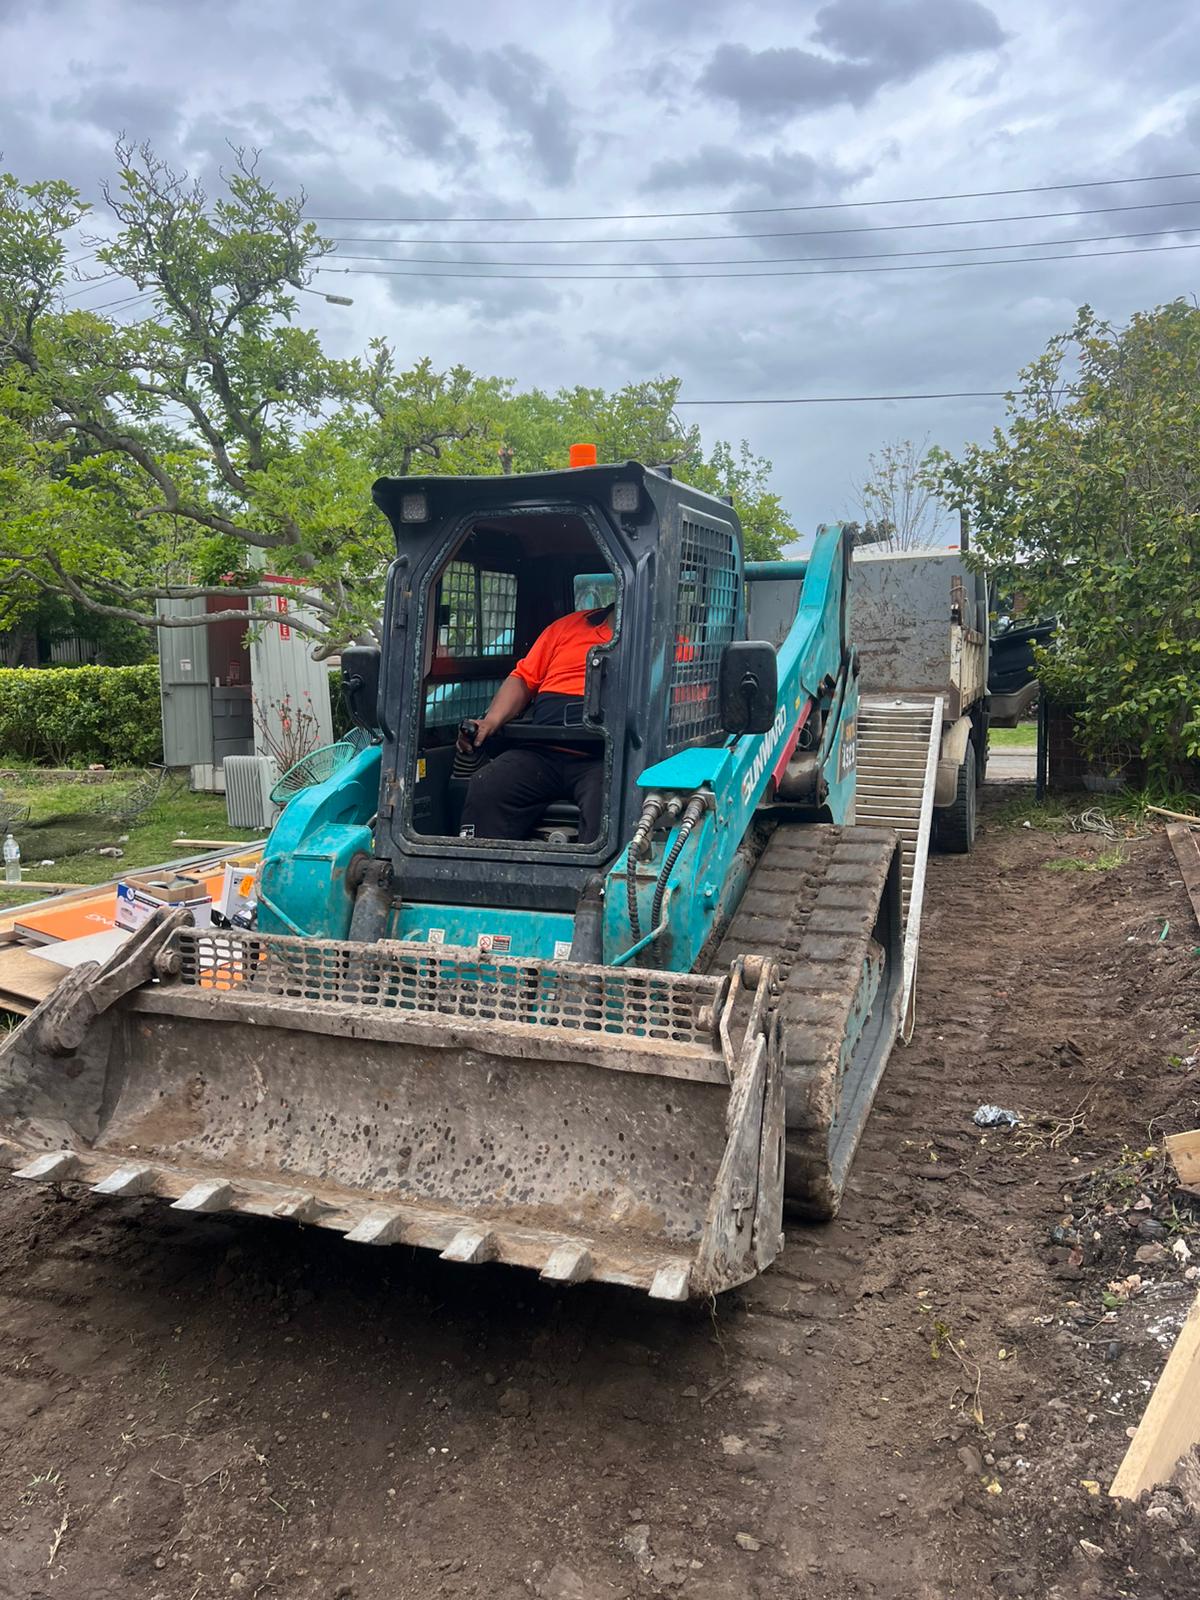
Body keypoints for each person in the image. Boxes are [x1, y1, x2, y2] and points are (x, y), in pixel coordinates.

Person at [457, 603, 614, 842]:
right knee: (488, 784)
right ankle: (477, 862)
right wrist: (491, 720)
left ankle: (598, 868)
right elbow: (522, 679)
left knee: (610, 801)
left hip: (607, 758)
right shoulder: (567, 627)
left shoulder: (663, 641)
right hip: (543, 750)